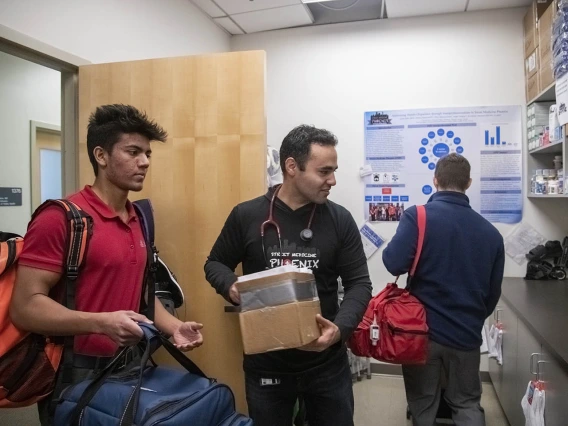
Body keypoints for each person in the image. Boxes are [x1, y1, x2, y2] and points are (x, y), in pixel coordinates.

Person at [10, 104, 204, 426]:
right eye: (133, 152)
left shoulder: (138, 217)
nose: (144, 162)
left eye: (147, 153)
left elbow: (138, 293)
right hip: (73, 377)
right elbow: (25, 308)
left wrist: (173, 327)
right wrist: (101, 323)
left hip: (130, 368)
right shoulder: (61, 219)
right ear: (101, 156)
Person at [204, 124, 372, 426]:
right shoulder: (247, 215)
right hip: (267, 364)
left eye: (333, 171)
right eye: (323, 171)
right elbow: (215, 263)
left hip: (326, 364)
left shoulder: (339, 220)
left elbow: (359, 283)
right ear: (291, 167)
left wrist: (340, 328)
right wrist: (231, 287)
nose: (332, 180)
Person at [382, 153, 504, 426]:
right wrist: (470, 320)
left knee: (423, 403)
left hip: (421, 332)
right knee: (467, 402)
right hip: (466, 334)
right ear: (469, 183)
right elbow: (492, 293)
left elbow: (393, 263)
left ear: (435, 180)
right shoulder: (491, 233)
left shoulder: (418, 216)